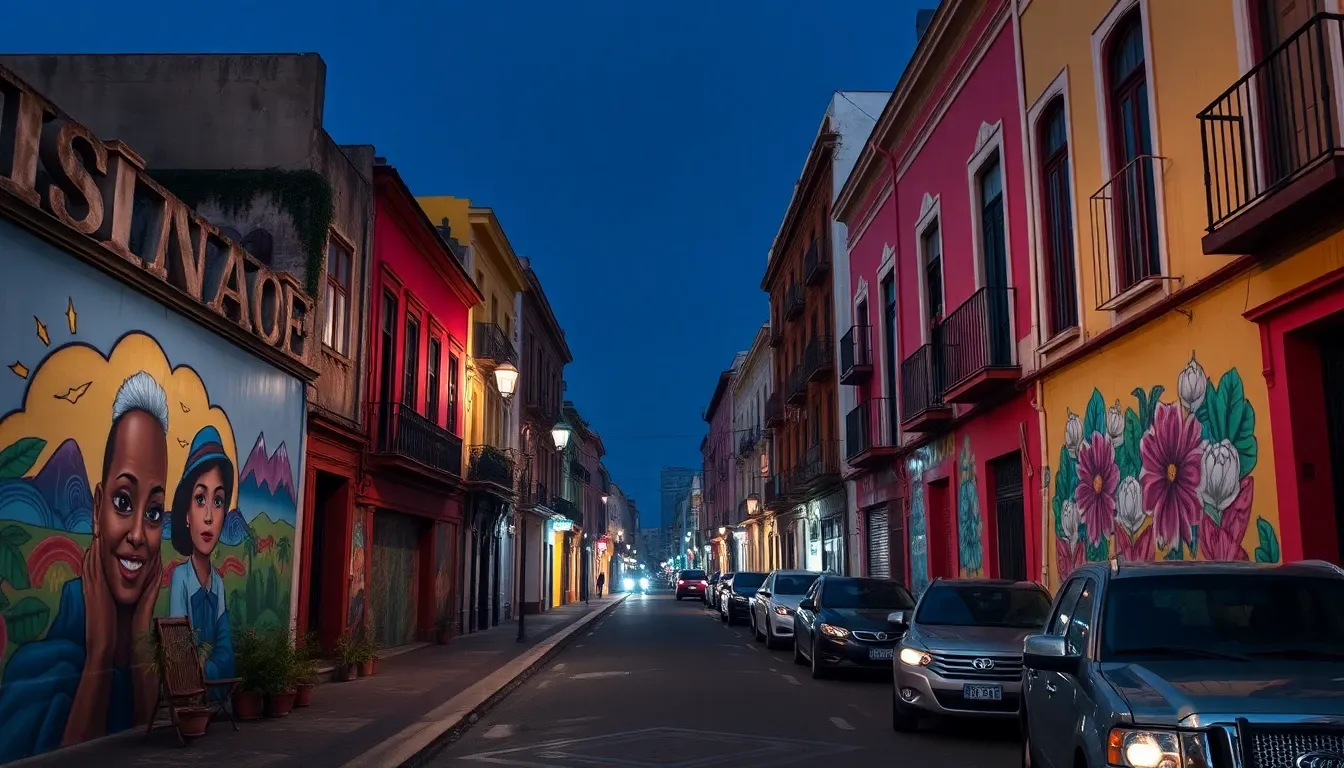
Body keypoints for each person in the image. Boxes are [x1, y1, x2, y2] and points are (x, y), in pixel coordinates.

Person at [0, 371, 169, 761]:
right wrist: (100, 653)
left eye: (155, 512)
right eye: (123, 503)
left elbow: (153, 740)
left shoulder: (150, 623)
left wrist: (140, 640)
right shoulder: (45, 664)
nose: (139, 535)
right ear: (96, 510)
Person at [167, 425, 236, 696]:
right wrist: (201, 669)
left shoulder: (218, 583)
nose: (209, 516)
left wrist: (208, 668)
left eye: (218, 501)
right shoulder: (181, 579)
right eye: (199, 499)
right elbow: (178, 649)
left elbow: (226, 650)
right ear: (186, 513)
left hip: (210, 688)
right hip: (189, 692)